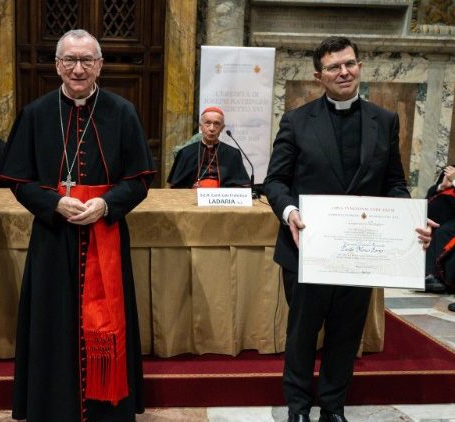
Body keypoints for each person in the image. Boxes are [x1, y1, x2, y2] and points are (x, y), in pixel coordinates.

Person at [263, 36, 435, 422]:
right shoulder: (296, 120)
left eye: (350, 63)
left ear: (359, 66)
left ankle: (333, 408)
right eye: (334, 66)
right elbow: (274, 182)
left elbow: (394, 182)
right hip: (307, 248)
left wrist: (410, 220)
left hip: (360, 251)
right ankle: (298, 407)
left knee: (345, 335)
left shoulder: (385, 120)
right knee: (302, 334)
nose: (344, 71)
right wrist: (289, 211)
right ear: (318, 76)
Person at [0, 29, 155, 421]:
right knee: (54, 326)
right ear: (57, 65)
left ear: (100, 65)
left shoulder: (122, 112)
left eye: (87, 60)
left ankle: (108, 411)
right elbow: (19, 180)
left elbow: (139, 180)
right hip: (54, 239)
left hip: (106, 236)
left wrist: (105, 204)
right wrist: (54, 203)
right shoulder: (36, 113)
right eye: (70, 60)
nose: (78, 68)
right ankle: (54, 408)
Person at [167, 106, 250, 188]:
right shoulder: (185, 152)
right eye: (207, 123)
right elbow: (176, 186)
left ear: (222, 128)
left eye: (216, 124)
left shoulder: (233, 153)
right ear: (201, 126)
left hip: (222, 198)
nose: (212, 128)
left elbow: (241, 184)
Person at [424, 166, 455, 294]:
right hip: (439, 219)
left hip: (450, 222)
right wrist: (442, 186)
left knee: (443, 231)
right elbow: (430, 194)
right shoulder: (451, 169)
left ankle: (434, 275)